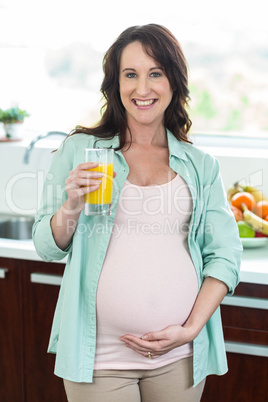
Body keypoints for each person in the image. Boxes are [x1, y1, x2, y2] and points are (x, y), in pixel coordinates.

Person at [33, 24, 242, 402]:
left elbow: (225, 256)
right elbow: (48, 247)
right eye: (130, 74)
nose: (141, 89)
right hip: (98, 358)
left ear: (174, 82)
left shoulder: (200, 165)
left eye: (155, 74)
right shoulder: (82, 151)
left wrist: (191, 329)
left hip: (178, 356)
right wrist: (72, 205)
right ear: (115, 84)